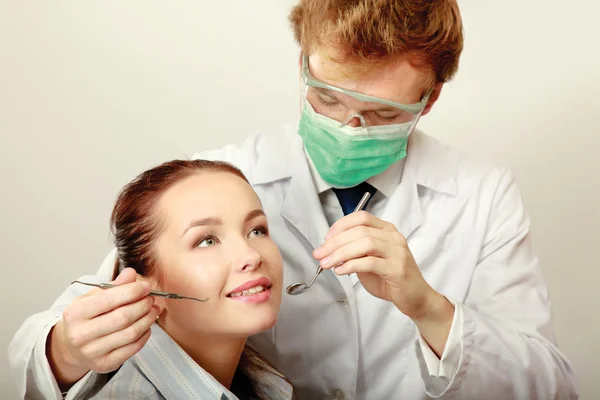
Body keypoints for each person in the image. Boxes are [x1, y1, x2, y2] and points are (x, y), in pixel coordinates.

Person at [9, 0, 578, 399]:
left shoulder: (481, 196)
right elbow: (55, 338)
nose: (351, 127)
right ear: (303, 62)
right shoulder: (226, 180)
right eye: (328, 98)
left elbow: (552, 388)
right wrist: (67, 351)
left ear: (428, 101)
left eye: (382, 115)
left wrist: (428, 306)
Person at [65, 159, 293, 399]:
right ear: (144, 287)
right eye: (207, 240)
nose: (251, 255)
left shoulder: (267, 384)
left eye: (256, 230)